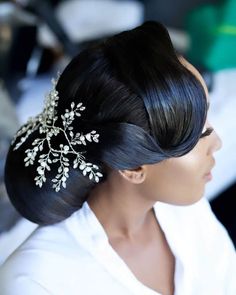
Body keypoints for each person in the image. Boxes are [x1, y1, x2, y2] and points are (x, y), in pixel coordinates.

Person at [0, 21, 235, 295]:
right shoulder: (37, 281)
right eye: (199, 134)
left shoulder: (188, 212)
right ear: (134, 167)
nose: (217, 143)